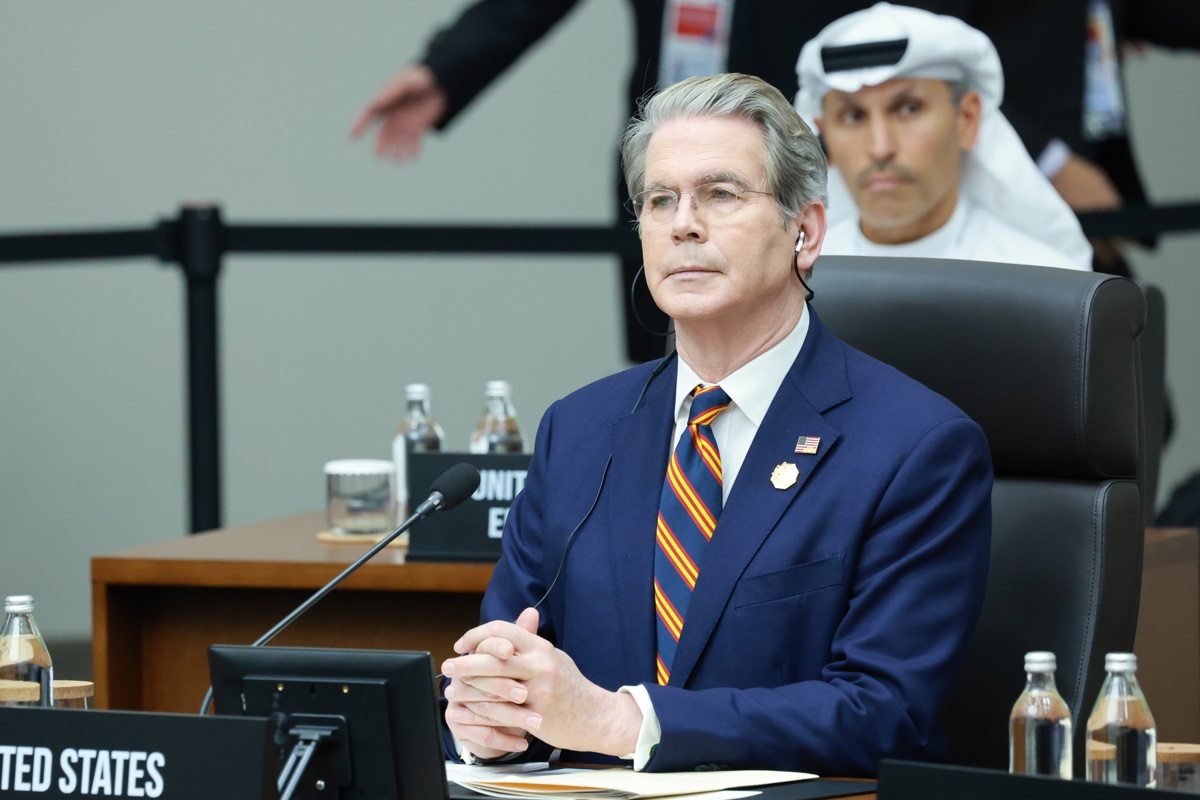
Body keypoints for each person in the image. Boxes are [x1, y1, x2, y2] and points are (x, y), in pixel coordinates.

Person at [439, 72, 993, 775]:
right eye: (659, 199)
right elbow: (514, 664)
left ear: (807, 230)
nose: (683, 223)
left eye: (721, 195)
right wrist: (487, 718)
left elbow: (884, 712)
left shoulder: (918, 448)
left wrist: (625, 721)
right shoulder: (577, 430)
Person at [795, 3, 1092, 271]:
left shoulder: (1041, 280)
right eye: (853, 116)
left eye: (909, 109)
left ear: (967, 120)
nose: (880, 148)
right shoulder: (790, 281)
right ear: (824, 134)